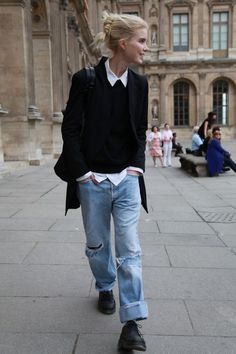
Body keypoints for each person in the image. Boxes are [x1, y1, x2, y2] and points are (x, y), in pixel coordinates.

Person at [61, 12, 149, 352]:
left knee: (129, 251)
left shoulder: (139, 84)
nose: (146, 47)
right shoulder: (86, 80)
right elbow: (69, 129)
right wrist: (83, 173)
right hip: (92, 180)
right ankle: (104, 284)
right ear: (123, 43)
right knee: (97, 245)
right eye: (141, 40)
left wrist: (136, 168)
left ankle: (131, 323)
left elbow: (140, 131)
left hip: (126, 179)